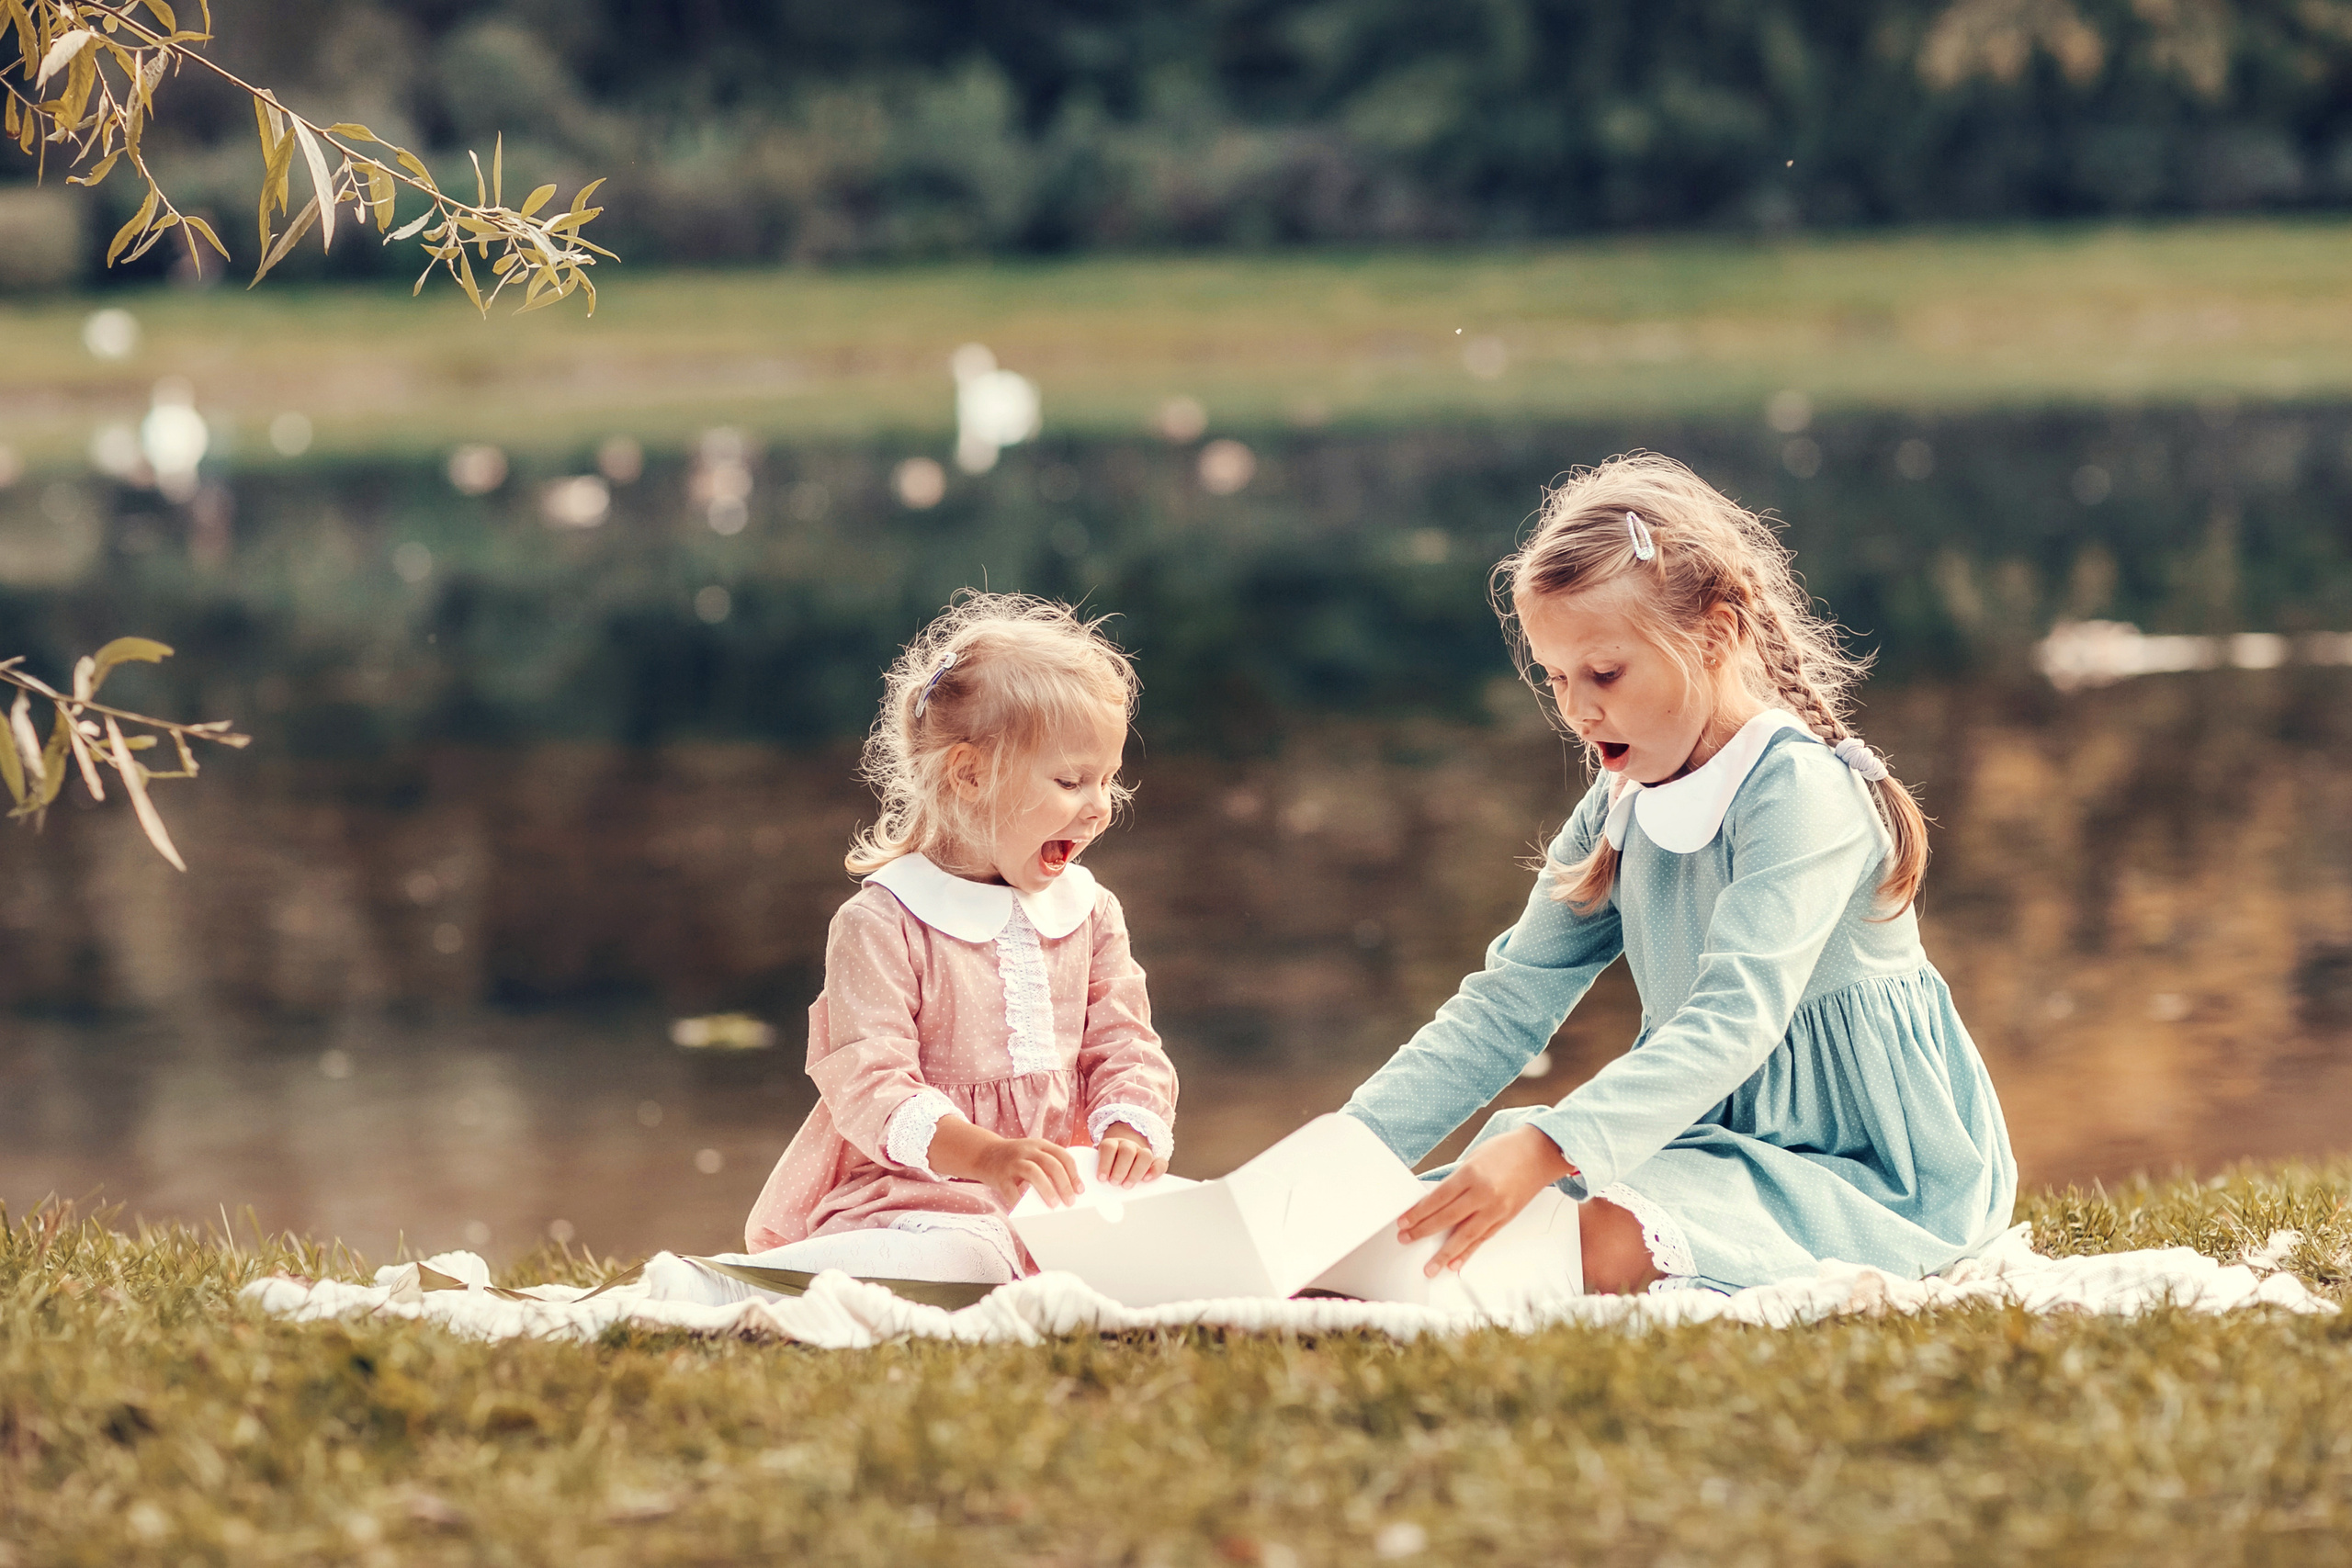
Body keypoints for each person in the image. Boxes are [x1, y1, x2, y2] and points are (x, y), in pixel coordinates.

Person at [1341, 453, 2016, 1296]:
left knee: (1597, 1237)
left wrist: (1552, 1145)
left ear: (1716, 635)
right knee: (1428, 1213)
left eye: (1606, 673)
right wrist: (1344, 1152)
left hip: (1869, 1168)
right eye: (1556, 678)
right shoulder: (1618, 800)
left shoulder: (1797, 791)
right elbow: (1507, 1002)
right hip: (1697, 1135)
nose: (1578, 709)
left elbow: (1738, 1018)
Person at [718, 593, 1178, 1288]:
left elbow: (1125, 1042)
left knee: (1176, 1236)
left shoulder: (1090, 913)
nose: (1098, 806)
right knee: (966, 1255)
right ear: (969, 773)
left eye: (1107, 780)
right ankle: (756, 1278)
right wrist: (988, 1155)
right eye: (1070, 780)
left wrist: (1128, 1128)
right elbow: (872, 1083)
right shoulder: (884, 924)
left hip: (1055, 1197)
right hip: (918, 1191)